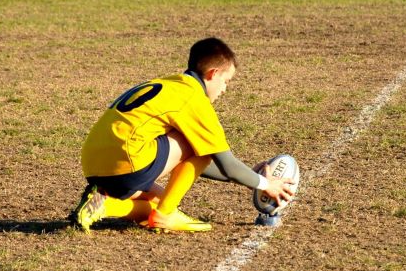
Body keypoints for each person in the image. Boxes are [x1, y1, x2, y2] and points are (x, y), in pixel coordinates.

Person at [69, 37, 294, 233]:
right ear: (212, 73)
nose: (224, 89)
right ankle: (166, 215)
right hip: (127, 164)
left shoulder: (169, 83)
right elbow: (222, 162)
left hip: (94, 164)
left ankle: (105, 205)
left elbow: (207, 164)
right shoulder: (194, 98)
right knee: (200, 144)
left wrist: (246, 175)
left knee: (160, 199)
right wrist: (265, 184)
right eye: (226, 82)